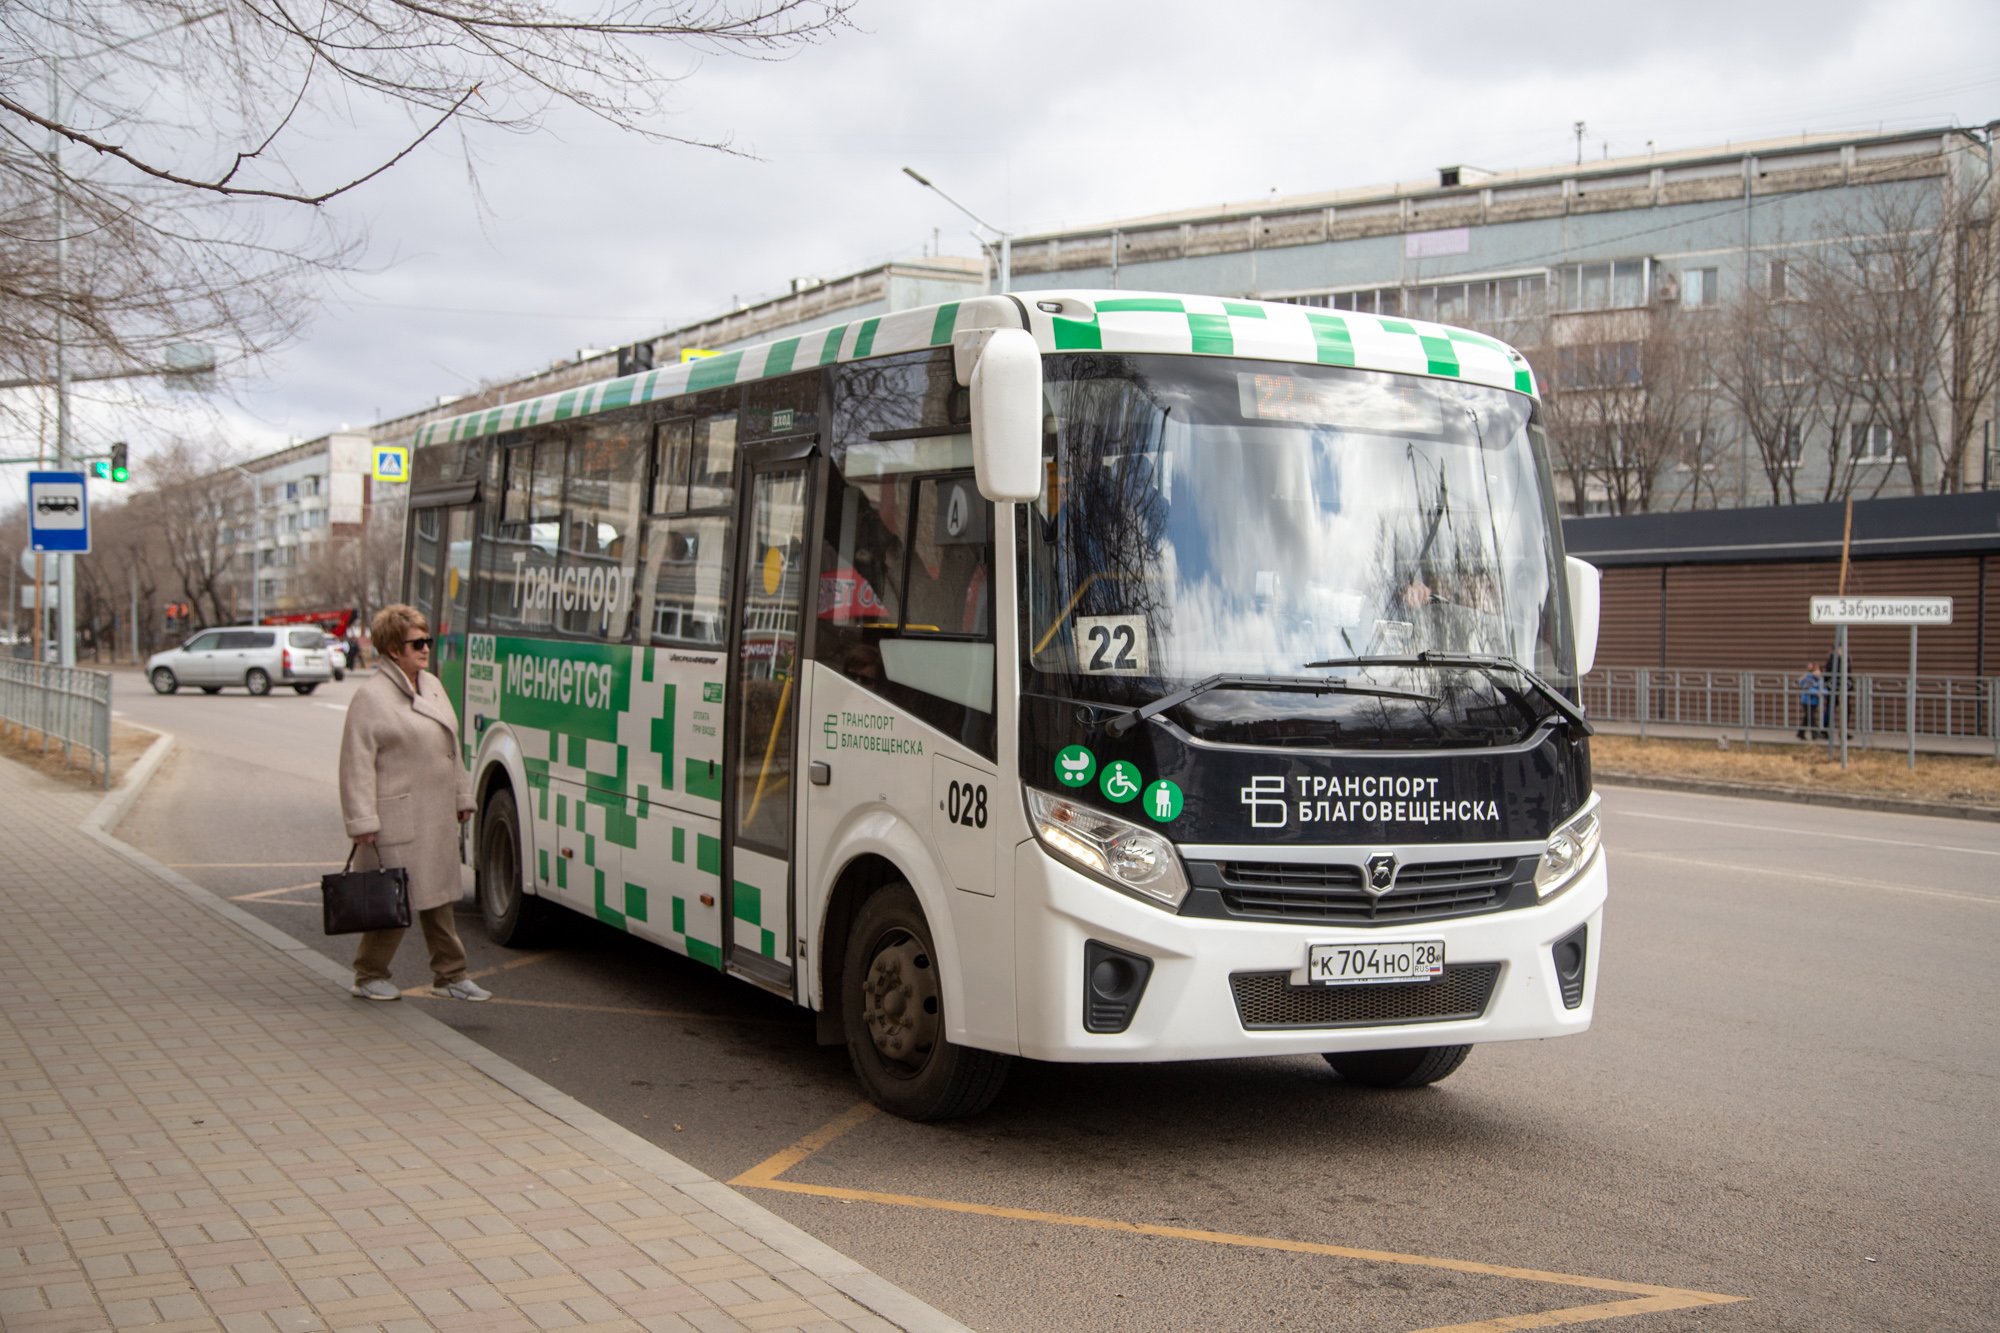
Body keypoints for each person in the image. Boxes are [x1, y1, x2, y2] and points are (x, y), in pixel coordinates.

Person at [338, 604, 489, 1002]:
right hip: (395, 819)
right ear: (392, 650)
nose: (425, 648)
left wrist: (461, 795)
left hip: (434, 814)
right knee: (394, 900)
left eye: (427, 640)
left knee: (437, 898)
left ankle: (451, 975)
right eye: (416, 642)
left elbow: (450, 747)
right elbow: (356, 764)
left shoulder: (432, 685)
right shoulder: (371, 697)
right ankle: (369, 974)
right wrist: (362, 819)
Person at [1797, 661, 1825, 740]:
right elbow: (1807, 688)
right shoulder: (1809, 678)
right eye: (1816, 670)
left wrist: (1823, 692)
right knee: (1811, 717)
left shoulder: (1820, 679)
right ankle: (1815, 734)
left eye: (1819, 670)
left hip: (1814, 701)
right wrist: (1816, 692)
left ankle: (1800, 733)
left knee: (1808, 717)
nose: (1818, 672)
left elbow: (1823, 688)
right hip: (1807, 700)